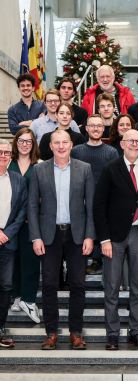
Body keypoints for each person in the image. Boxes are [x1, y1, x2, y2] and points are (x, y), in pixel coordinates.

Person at [28, 129, 95, 350]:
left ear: (71, 144)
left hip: (77, 234)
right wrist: (36, 236)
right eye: (56, 142)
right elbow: (32, 206)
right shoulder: (39, 170)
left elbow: (91, 206)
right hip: (49, 235)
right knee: (48, 284)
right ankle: (52, 333)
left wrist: (89, 235)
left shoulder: (84, 169)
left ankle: (76, 333)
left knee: (78, 284)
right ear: (50, 146)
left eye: (64, 142)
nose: (61, 146)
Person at [93, 129, 138, 350]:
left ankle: (136, 331)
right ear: (122, 143)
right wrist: (104, 239)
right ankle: (112, 334)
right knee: (111, 287)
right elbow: (99, 206)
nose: (135, 144)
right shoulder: (111, 169)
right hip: (114, 237)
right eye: (131, 140)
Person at [71, 115, 119, 275]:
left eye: (99, 126)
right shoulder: (76, 151)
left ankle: (98, 260)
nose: (96, 128)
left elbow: (115, 178)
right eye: (92, 126)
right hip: (79, 199)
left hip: (103, 200)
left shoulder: (111, 152)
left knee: (100, 228)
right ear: (86, 128)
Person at [8, 128, 41, 324]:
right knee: (13, 260)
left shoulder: (39, 165)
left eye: (29, 141)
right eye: (21, 140)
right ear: (16, 143)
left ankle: (28, 298)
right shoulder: (8, 164)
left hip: (31, 221)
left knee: (30, 260)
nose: (25, 144)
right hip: (10, 222)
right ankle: (16, 296)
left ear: (33, 144)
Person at [0, 139, 27, 348]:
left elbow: (22, 211)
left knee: (6, 285)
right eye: (0, 152)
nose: (3, 155)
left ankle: (1, 327)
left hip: (8, 242)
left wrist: (6, 233)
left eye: (7, 153)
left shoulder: (17, 179)